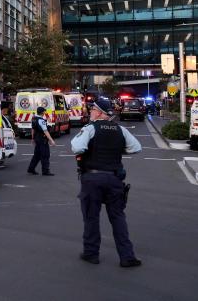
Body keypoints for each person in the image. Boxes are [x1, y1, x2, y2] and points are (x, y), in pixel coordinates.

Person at [71, 98, 142, 268]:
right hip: (114, 179)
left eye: (93, 110)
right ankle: (127, 257)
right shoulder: (120, 129)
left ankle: (91, 254)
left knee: (91, 217)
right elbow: (136, 147)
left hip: (92, 179)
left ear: (100, 112)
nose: (90, 112)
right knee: (118, 217)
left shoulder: (90, 128)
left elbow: (77, 148)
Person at [27, 106, 56, 176]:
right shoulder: (41, 120)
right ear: (42, 112)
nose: (44, 112)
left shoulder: (34, 119)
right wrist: (51, 140)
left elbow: (33, 129)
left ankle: (31, 169)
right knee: (45, 155)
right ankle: (45, 171)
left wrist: (32, 138)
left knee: (37, 155)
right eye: (44, 111)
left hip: (37, 139)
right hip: (42, 139)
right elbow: (45, 131)